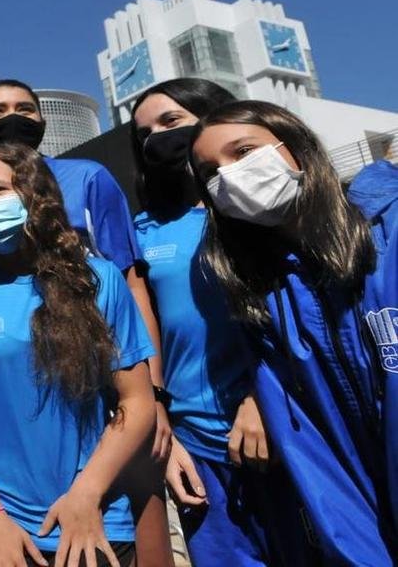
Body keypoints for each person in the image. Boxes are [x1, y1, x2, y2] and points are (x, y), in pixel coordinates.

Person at [0, 143, 156, 567]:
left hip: (93, 516)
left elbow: (137, 402)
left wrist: (87, 495)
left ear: (36, 195)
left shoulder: (97, 280)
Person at [0, 78, 173, 563]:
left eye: (0, 189)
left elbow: (131, 285)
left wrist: (156, 393)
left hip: (98, 470)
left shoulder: (89, 193)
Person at [191, 99, 397, 563]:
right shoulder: (267, 296)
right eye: (210, 172)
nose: (229, 174)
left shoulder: (392, 228)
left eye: (243, 151)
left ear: (296, 146)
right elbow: (324, 465)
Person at [131, 79, 299, 565]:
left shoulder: (251, 208)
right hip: (194, 442)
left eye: (170, 121)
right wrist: (163, 429)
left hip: (278, 423)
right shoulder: (142, 231)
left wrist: (261, 397)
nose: (157, 139)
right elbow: (144, 335)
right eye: (144, 134)